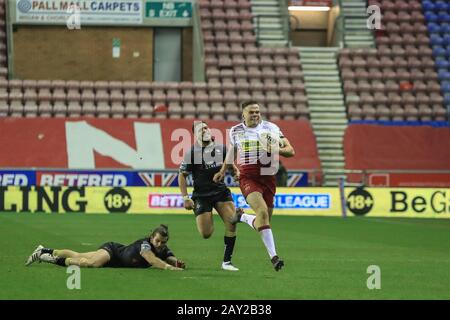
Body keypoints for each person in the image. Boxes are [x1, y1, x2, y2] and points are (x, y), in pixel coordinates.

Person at [213, 101, 295, 271]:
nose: (256, 114)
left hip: (268, 178)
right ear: (243, 114)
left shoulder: (271, 128)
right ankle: (274, 258)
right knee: (262, 213)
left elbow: (291, 151)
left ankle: (242, 217)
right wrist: (223, 170)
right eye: (251, 112)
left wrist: (274, 148)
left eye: (257, 111)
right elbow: (232, 152)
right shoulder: (236, 131)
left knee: (264, 222)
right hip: (248, 177)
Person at [178, 121, 240, 271]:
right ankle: (208, 215)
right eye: (200, 129)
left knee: (232, 223)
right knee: (206, 233)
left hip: (220, 192)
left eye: (206, 127)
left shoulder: (221, 148)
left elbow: (229, 164)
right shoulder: (192, 153)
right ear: (195, 135)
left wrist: (236, 172)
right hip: (201, 196)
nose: (204, 130)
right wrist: (185, 198)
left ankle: (226, 262)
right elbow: (182, 175)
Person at [25, 224, 185, 271]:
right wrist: (168, 268)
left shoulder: (162, 249)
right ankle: (49, 258)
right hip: (113, 251)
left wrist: (176, 262)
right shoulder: (145, 244)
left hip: (117, 260)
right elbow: (150, 258)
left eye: (163, 242)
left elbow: (169, 257)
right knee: (91, 263)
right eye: (157, 241)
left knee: (80, 255)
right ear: (152, 238)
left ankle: (44, 250)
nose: (160, 244)